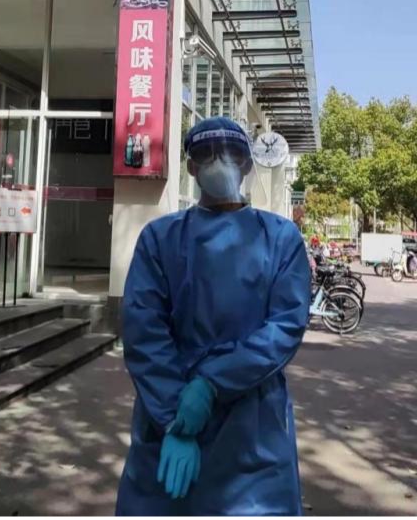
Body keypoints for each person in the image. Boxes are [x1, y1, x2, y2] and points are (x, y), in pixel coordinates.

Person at [116, 117, 311, 516]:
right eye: (206, 153)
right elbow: (143, 331)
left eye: (231, 153)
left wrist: (208, 385)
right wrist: (175, 419)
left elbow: (285, 327)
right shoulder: (159, 239)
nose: (219, 162)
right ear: (191, 167)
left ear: (248, 165)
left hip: (251, 430)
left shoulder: (281, 238)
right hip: (174, 424)